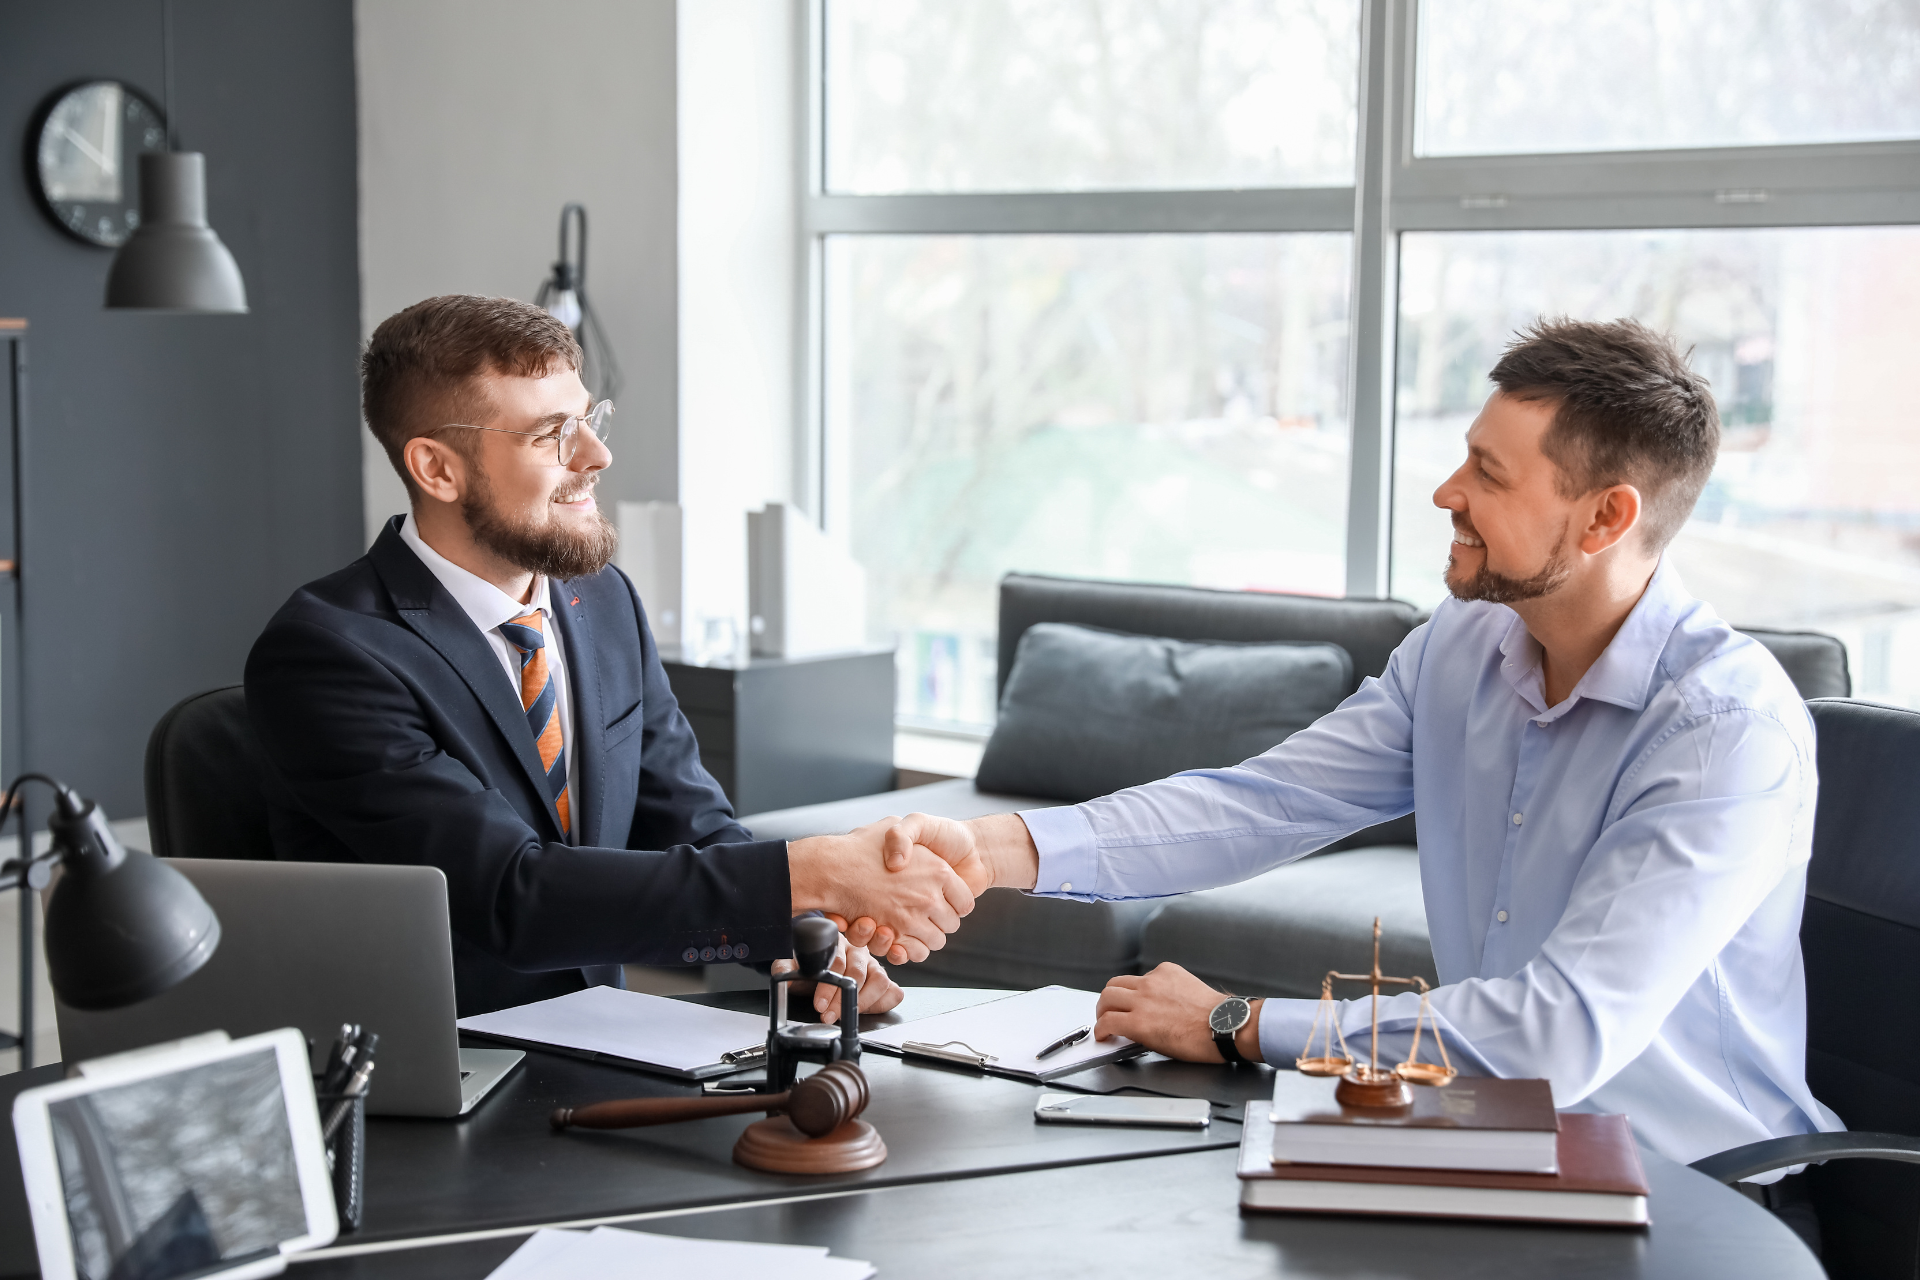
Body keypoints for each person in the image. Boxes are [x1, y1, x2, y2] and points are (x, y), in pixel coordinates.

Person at [858, 317, 1841, 1233]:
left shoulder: (1724, 734)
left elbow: (1557, 1031)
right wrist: (989, 849)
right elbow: (1263, 802)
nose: (1447, 491)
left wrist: (1242, 1023)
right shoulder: (1464, 646)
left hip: (1700, 1200)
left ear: (1604, 517)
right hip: (1500, 1144)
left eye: (1489, 474)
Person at [246, 294, 971, 1017]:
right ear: (438, 470)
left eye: (588, 419)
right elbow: (513, 897)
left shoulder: (601, 600)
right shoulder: (328, 654)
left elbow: (685, 822)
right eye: (551, 435)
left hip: (609, 1037)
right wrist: (804, 872)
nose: (597, 456)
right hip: (454, 1072)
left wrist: (791, 938)